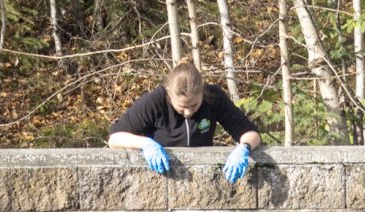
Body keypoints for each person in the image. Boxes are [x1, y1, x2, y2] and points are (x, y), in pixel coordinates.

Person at [108, 61, 261, 183]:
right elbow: (115, 138)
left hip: (203, 178)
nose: (188, 112)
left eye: (194, 105)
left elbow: (251, 133)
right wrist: (145, 144)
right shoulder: (155, 101)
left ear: (202, 92)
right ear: (169, 94)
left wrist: (244, 148)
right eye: (182, 107)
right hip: (160, 178)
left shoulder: (214, 98)